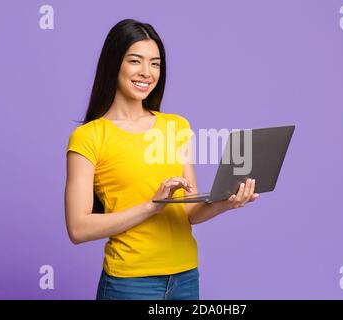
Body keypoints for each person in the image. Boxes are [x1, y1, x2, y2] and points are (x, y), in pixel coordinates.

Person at [64, 19, 259, 300]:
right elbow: (77, 228)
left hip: (185, 277)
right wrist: (151, 206)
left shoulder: (176, 126)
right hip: (129, 284)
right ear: (114, 63)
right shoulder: (89, 137)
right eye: (135, 61)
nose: (147, 72)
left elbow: (188, 213)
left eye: (155, 63)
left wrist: (224, 203)